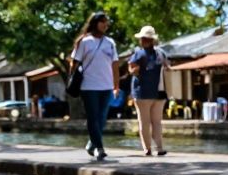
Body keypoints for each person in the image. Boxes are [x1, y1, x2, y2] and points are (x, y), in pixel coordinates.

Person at [70, 11, 120, 160]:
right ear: (95, 23)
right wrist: (74, 79)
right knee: (93, 118)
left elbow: (115, 64)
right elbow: (74, 62)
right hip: (89, 86)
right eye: (102, 21)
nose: (105, 24)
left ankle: (92, 143)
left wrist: (116, 85)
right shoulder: (84, 42)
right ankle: (99, 148)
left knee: (102, 118)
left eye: (107, 22)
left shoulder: (110, 43)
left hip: (106, 86)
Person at [127, 24, 170, 156]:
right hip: (160, 91)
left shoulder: (138, 53)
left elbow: (131, 69)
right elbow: (168, 68)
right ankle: (159, 147)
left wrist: (135, 71)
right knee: (156, 122)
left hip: (142, 92)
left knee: (144, 122)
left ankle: (147, 148)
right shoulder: (161, 53)